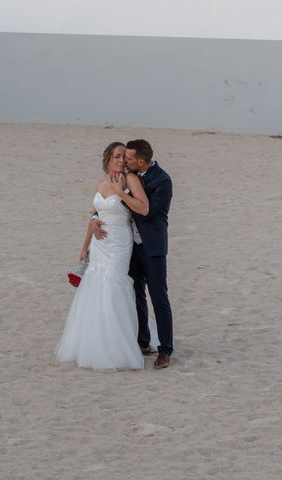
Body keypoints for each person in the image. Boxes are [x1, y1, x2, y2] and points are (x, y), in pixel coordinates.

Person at [55, 142, 149, 370]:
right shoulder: (99, 183)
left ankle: (118, 345)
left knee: (113, 284)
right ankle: (94, 340)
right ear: (108, 158)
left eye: (123, 157)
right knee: (95, 284)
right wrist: (84, 245)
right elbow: (96, 214)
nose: (121, 161)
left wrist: (120, 193)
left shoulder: (131, 180)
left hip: (119, 242)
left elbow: (143, 207)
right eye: (117, 156)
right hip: (99, 244)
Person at [91, 139, 174, 369]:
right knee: (135, 292)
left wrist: (121, 194)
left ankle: (166, 350)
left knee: (159, 296)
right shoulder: (128, 176)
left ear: (140, 161)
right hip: (129, 245)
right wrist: (95, 219)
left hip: (152, 246)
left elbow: (145, 212)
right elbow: (102, 207)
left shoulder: (162, 181)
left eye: (128, 159)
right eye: (122, 157)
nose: (124, 162)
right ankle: (143, 341)